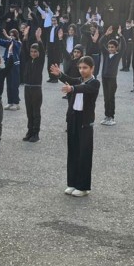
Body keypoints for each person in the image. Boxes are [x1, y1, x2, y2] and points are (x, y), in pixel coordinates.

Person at [50, 55, 101, 197]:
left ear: (92, 68)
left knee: (84, 154)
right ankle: (72, 183)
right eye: (80, 68)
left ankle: (83, 187)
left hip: (85, 122)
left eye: (85, 68)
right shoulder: (78, 80)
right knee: (72, 152)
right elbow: (71, 80)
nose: (82, 70)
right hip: (73, 119)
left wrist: (71, 88)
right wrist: (60, 75)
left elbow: (82, 88)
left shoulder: (95, 83)